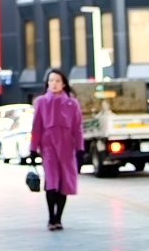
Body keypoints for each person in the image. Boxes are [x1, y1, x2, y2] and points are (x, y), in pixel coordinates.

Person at [29, 68, 83, 231]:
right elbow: (36, 127)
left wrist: (80, 149)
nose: (54, 84)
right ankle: (51, 218)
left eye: (57, 81)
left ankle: (58, 217)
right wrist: (33, 149)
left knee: (64, 182)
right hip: (48, 146)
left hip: (67, 146)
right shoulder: (41, 102)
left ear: (64, 83)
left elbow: (77, 128)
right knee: (51, 181)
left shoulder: (72, 103)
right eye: (51, 80)